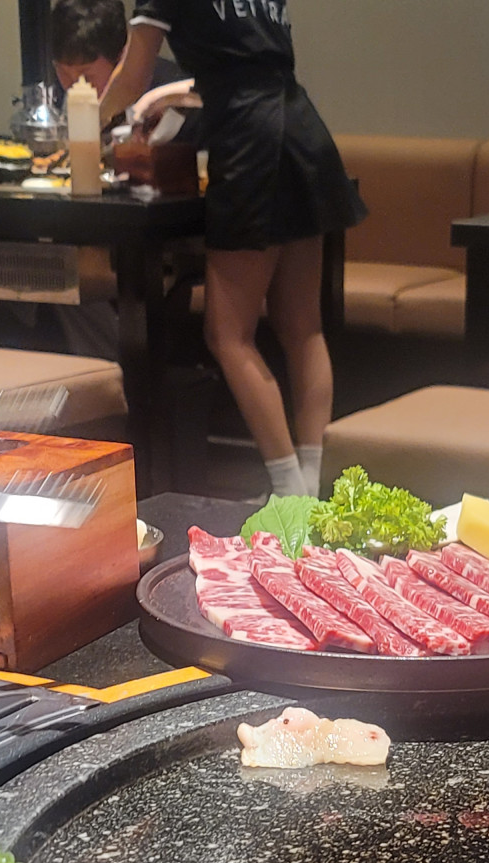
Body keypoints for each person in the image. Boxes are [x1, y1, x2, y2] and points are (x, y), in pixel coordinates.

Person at [100, 1, 366, 499]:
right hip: (303, 128)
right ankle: (313, 491)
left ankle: (289, 492)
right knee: (303, 328)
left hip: (251, 141)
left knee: (227, 334)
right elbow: (243, 62)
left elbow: (133, 73)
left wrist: (87, 124)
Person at [50, 0, 190, 100]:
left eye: (86, 77)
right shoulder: (56, 93)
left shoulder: (171, 94)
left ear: (121, 57)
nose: (72, 88)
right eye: (63, 72)